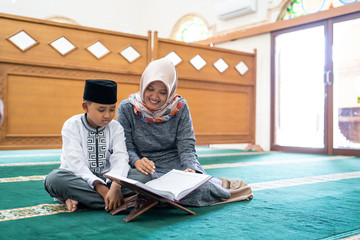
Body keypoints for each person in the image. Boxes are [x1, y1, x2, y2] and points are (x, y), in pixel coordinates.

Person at [117, 58, 253, 206]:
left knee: (201, 188)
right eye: (150, 89)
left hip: (176, 165)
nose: (155, 97)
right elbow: (126, 146)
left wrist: (191, 169)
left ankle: (153, 200)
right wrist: (136, 161)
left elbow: (186, 145)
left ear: (171, 90)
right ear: (143, 84)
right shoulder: (127, 108)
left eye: (163, 92)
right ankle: (161, 199)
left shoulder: (179, 107)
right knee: (130, 183)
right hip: (145, 168)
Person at [44, 79, 132, 213]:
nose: (107, 115)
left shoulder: (116, 128)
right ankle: (123, 201)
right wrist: (101, 189)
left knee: (144, 176)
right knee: (54, 180)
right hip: (80, 179)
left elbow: (121, 157)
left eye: (112, 109)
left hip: (109, 179)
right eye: (101, 110)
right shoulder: (72, 125)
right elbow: (75, 163)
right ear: (85, 107)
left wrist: (115, 185)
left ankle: (80, 199)